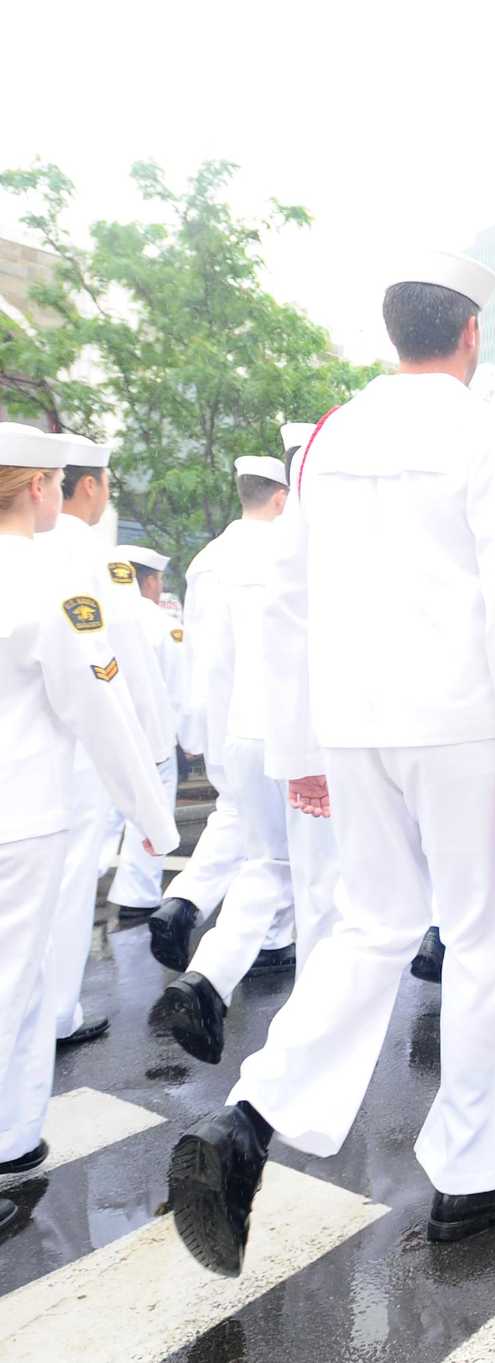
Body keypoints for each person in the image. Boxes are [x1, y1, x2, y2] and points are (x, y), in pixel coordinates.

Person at [166, 252, 495, 1274]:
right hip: (464, 723)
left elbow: (291, 597)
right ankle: (472, 1182)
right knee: (482, 940)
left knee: (370, 925)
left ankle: (250, 1119)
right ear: (471, 332)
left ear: (396, 333)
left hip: (353, 725)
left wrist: (302, 743)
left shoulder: (334, 436)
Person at [1, 423, 179, 1237]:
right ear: (40, 486)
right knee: (14, 979)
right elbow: (96, 705)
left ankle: (14, 1135)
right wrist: (152, 816)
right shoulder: (40, 582)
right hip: (24, 811)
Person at [150, 445, 338, 1065]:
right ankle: (314, 1035)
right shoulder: (319, 545)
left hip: (244, 730)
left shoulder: (213, 560)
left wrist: (216, 749)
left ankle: (206, 977)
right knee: (318, 887)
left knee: (266, 867)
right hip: (308, 735)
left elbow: (212, 663)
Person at [39, 429, 180, 1049]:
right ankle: (57, 1013)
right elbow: (126, 662)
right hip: (75, 748)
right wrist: (153, 742)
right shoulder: (99, 559)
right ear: (89, 485)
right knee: (68, 884)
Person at [148, 447, 302, 975]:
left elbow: (205, 654)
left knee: (241, 819)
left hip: (230, 716)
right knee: (283, 845)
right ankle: (272, 939)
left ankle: (186, 899)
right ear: (281, 497)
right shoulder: (291, 550)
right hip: (283, 719)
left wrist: (199, 725)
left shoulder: (209, 559)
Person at [103, 544, 192, 920]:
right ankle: (136, 897)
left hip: (104, 733)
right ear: (150, 580)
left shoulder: (98, 616)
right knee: (150, 817)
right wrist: (189, 742)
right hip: (151, 738)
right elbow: (179, 690)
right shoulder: (163, 624)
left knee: (102, 815)